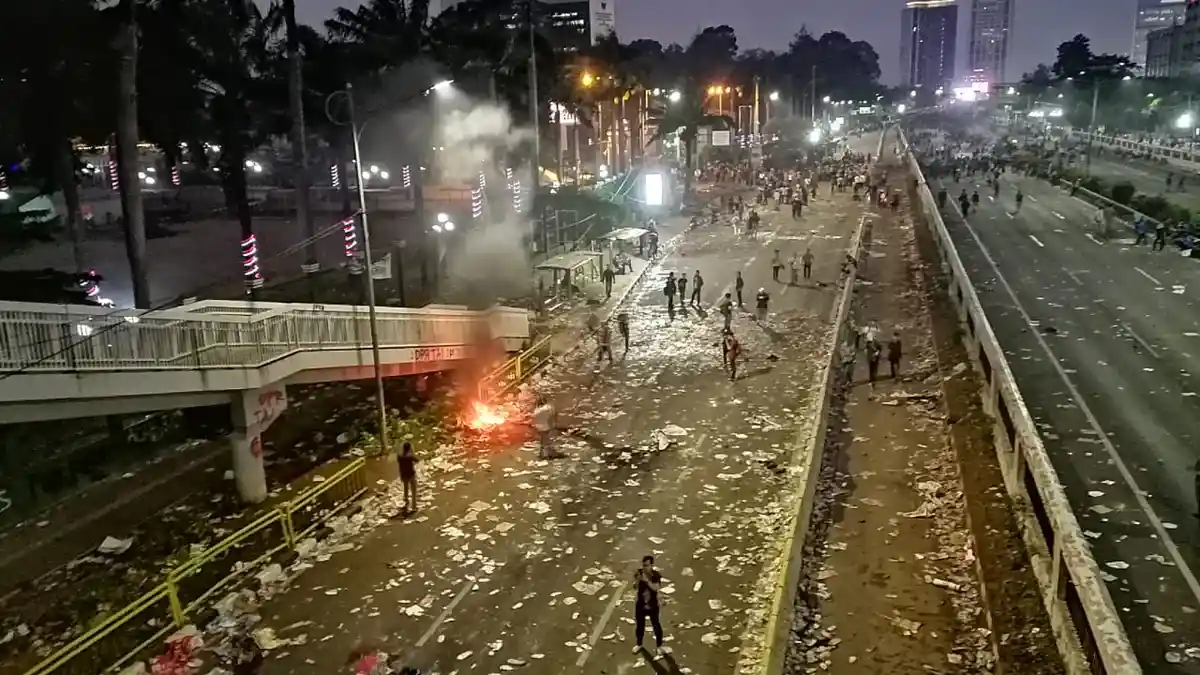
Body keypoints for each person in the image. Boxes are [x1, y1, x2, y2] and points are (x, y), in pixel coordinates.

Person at [632, 555, 666, 659]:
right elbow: (635, 587)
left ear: (651, 565)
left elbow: (656, 588)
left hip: (652, 605)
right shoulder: (639, 573)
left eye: (647, 565)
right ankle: (639, 644)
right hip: (641, 605)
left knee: (656, 626)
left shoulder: (655, 575)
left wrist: (646, 580)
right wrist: (638, 580)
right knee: (639, 626)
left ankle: (659, 646)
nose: (645, 567)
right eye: (643, 565)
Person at [397, 441, 419, 513]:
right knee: (414, 491)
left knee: (405, 487)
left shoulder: (399, 456)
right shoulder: (410, 457)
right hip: (411, 474)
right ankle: (414, 507)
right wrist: (413, 452)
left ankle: (405, 499)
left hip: (403, 474)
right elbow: (417, 460)